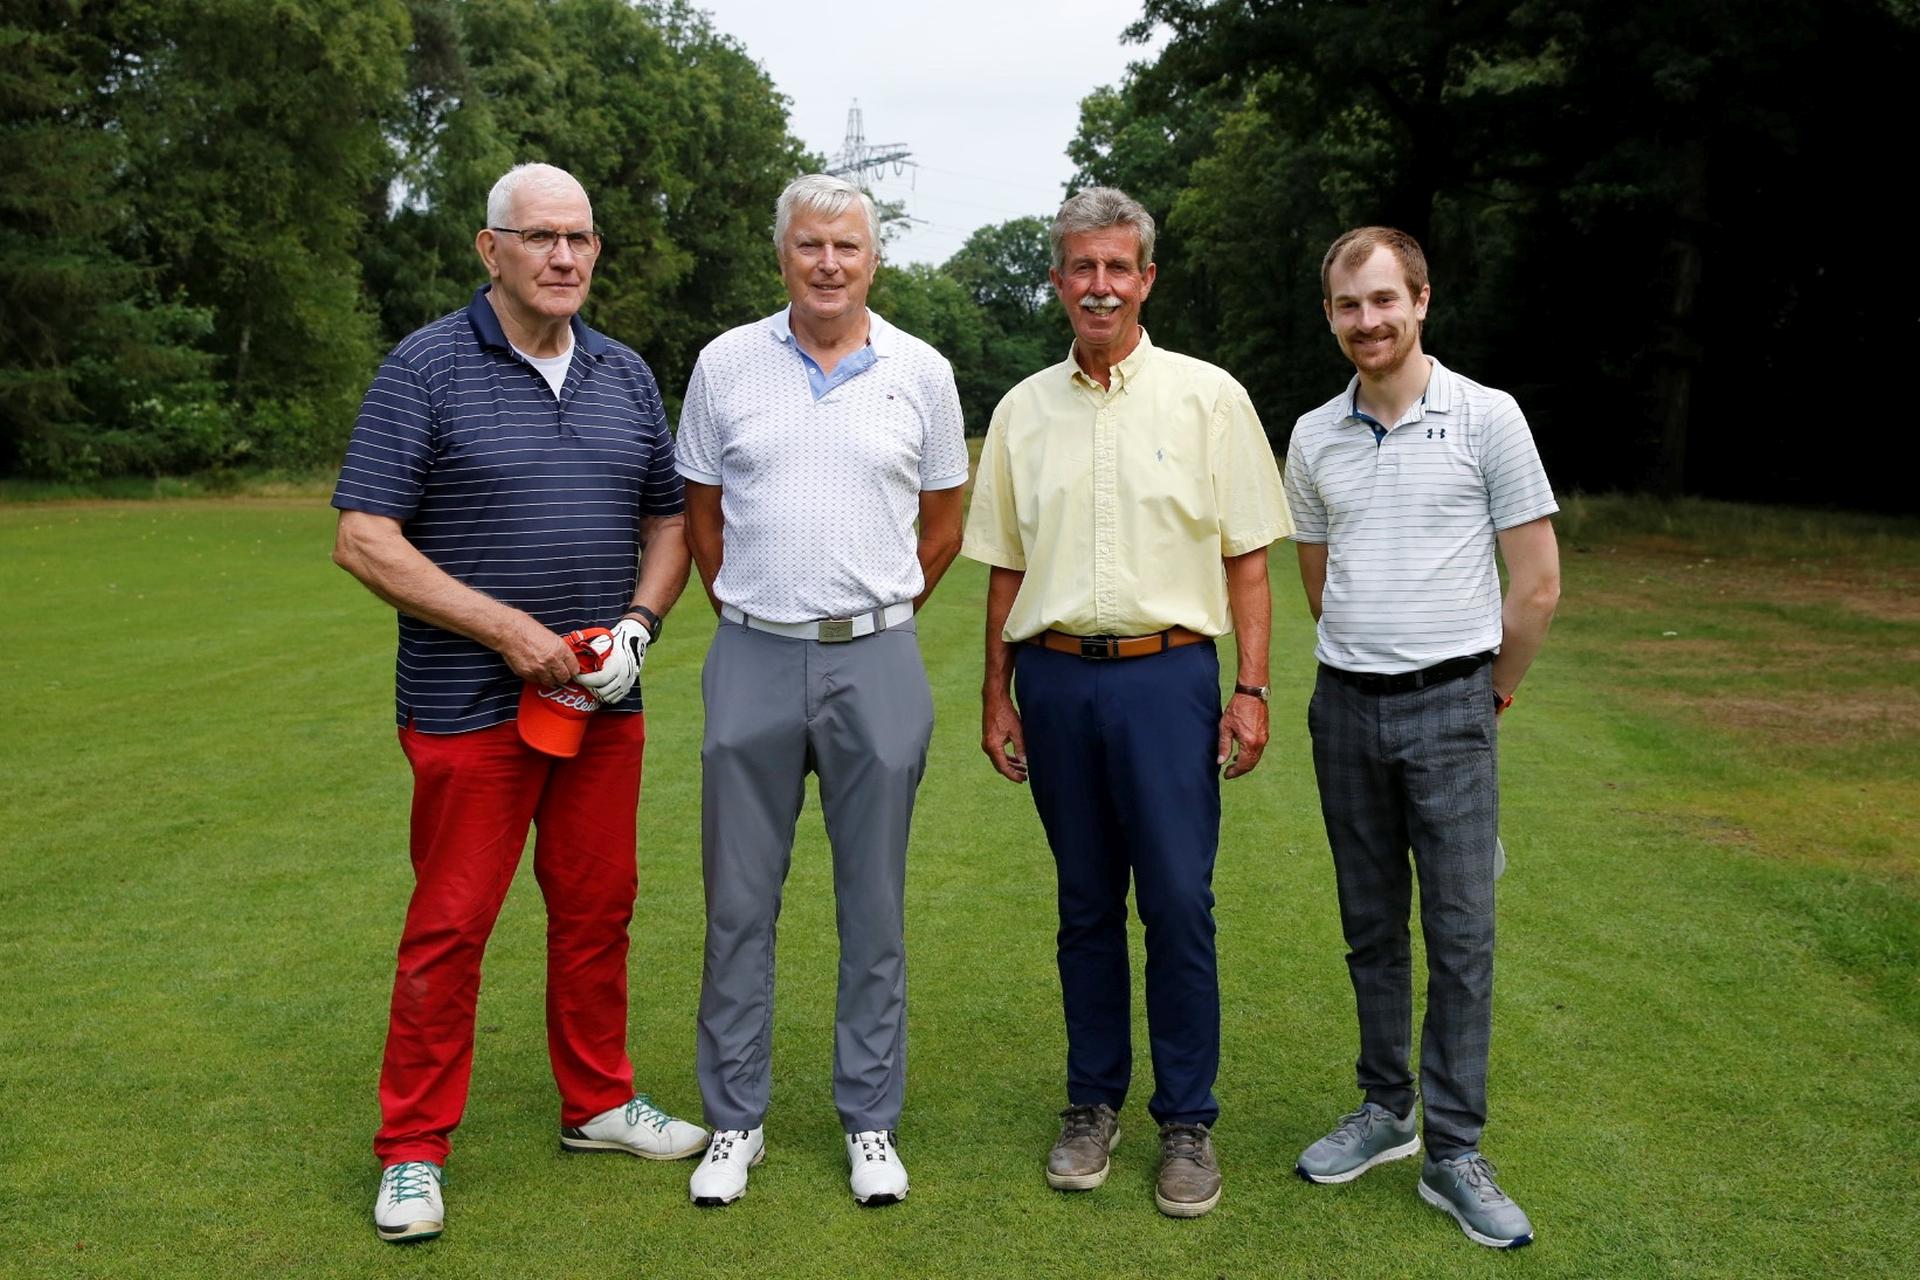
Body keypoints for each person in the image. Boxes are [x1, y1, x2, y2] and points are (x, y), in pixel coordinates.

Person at [331, 162, 705, 1245]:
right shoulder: (426, 366)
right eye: (540, 237)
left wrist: (637, 625)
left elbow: (668, 521)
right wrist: (508, 632)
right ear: (490, 249)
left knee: (597, 910)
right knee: (450, 926)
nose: (564, 257)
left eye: (579, 238)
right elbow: (364, 537)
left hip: (601, 704)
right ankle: (412, 1147)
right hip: (465, 707)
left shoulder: (625, 373)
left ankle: (597, 1101)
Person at [962, 186, 1290, 1219]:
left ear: (1146, 278)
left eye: (1117, 266)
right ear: (1058, 280)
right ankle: (1091, 1102)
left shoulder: (1208, 397)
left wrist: (1250, 689)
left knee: (1180, 901)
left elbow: (1247, 560)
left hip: (1169, 677)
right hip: (1056, 677)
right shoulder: (1022, 411)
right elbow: (1005, 568)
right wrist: (996, 694)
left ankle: (1187, 1120)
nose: (1099, 284)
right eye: (1081, 267)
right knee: (1085, 901)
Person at [674, 173, 968, 1209]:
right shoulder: (724, 363)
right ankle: (735, 1119)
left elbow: (943, 525)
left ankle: (869, 1119)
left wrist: (870, 612)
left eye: (847, 246)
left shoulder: (923, 371)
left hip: (876, 659)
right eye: (810, 245)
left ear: (873, 258)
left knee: (872, 904)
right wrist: (761, 608)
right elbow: (702, 515)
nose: (829, 263)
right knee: (737, 903)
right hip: (751, 652)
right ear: (783, 254)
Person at [1283, 226, 1560, 1249]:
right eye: (1349, 305)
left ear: (1421, 300)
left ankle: (1454, 1149)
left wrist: (1490, 697)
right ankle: (1386, 1108)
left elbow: (1537, 583)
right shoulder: (1313, 434)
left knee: (1461, 933)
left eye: (1384, 299)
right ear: (1331, 316)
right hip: (1345, 705)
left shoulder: (1488, 416)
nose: (1369, 321)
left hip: (1453, 705)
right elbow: (1321, 582)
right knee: (1370, 925)